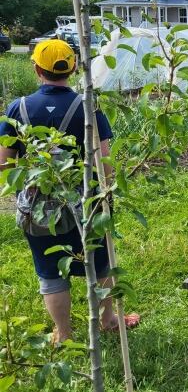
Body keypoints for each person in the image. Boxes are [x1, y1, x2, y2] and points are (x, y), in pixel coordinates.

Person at [0, 40, 139, 342]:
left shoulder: (18, 108)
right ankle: (108, 318)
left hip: (40, 207)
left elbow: (4, 165)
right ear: (73, 67)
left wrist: (32, 181)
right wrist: (106, 195)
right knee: (100, 262)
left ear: (37, 69)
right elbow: (105, 163)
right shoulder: (87, 107)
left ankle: (63, 333)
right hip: (87, 202)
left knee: (50, 271)